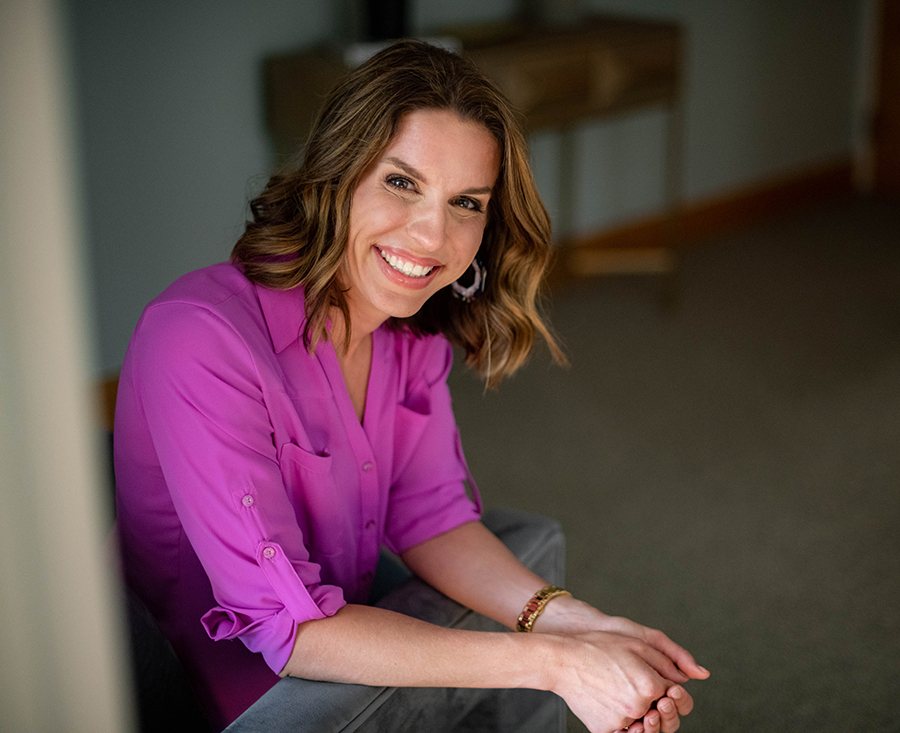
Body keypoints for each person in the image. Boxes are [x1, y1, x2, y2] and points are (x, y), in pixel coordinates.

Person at [113, 39, 709, 733]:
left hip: (355, 622)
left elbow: (431, 515)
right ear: (335, 175)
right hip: (229, 688)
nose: (431, 236)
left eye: (466, 202)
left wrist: (579, 623)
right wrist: (557, 663)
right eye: (401, 183)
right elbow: (292, 630)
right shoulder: (199, 340)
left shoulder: (410, 330)